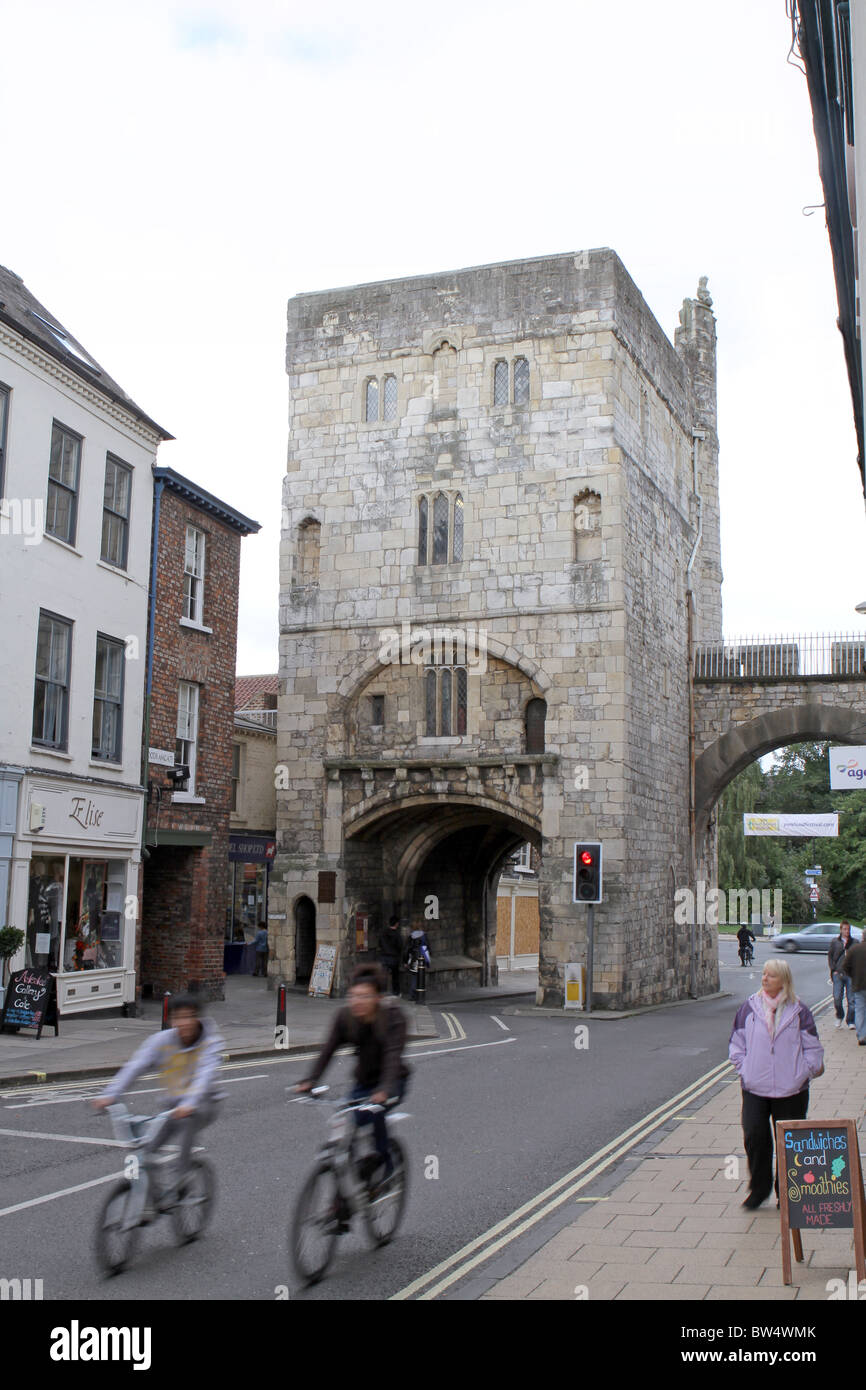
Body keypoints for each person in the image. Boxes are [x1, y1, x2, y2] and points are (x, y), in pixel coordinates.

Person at [92, 994, 224, 1209]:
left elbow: (204, 1076)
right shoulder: (163, 1041)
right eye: (178, 1018)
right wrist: (110, 1095)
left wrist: (189, 1103)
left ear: (197, 1018)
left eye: (188, 1017)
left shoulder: (209, 1044)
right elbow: (136, 1066)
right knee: (147, 1149)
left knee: (188, 1126)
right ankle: (152, 1197)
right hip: (173, 1107)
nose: (183, 1023)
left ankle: (181, 1184)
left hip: (204, 1103)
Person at [295, 964, 409, 1191]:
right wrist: (310, 1080)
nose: (358, 1001)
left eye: (365, 996)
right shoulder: (345, 1017)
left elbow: (392, 1056)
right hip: (364, 1081)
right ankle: (340, 1206)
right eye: (354, 996)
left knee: (375, 1117)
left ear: (377, 997)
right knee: (346, 1134)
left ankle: (385, 1168)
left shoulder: (392, 1018)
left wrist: (384, 1090)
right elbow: (328, 1050)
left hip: (393, 1080)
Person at [728, 959, 824, 1209]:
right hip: (755, 1087)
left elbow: (813, 1048)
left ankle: (788, 1192)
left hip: (791, 1089)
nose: (765, 979)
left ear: (783, 980)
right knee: (754, 1136)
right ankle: (759, 1190)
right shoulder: (748, 1008)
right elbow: (736, 1044)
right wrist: (744, 1069)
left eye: (771, 975)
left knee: (790, 1143)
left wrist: (804, 1072)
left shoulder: (799, 1010)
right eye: (763, 974)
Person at [828, 921, 856, 1030]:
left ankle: (850, 1021)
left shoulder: (854, 942)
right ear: (841, 930)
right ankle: (839, 1015)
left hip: (851, 974)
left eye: (848, 929)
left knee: (852, 1000)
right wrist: (833, 969)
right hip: (838, 973)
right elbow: (830, 956)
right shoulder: (835, 942)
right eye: (845, 929)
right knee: (837, 998)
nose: (847, 931)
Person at [840, 933, 866, 1045]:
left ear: (863, 937)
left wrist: (852, 975)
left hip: (858, 984)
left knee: (860, 1010)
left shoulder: (854, 949)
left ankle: (861, 1036)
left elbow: (845, 966)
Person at [378, 915, 403, 996]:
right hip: (394, 957)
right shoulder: (397, 935)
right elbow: (400, 946)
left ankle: (382, 992)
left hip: (384, 957)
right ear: (396, 924)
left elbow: (380, 944)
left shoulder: (383, 933)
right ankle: (396, 992)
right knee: (395, 976)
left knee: (383, 976)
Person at [405, 926, 432, 1001]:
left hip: (413, 959)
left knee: (414, 977)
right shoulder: (424, 936)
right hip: (422, 959)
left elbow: (407, 950)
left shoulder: (411, 937)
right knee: (421, 976)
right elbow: (428, 947)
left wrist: (405, 961)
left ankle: (413, 995)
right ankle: (420, 995)